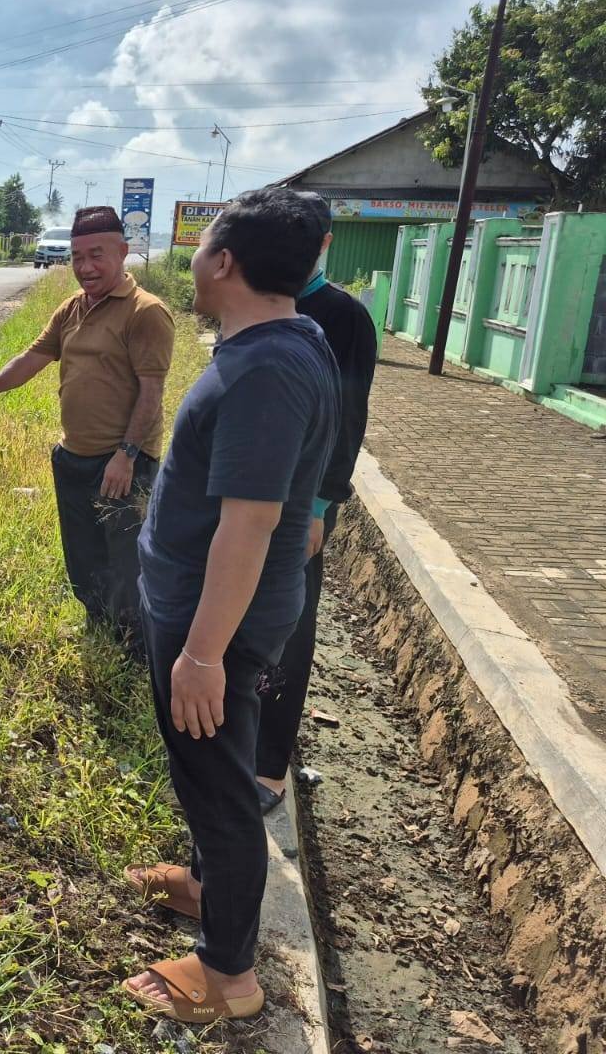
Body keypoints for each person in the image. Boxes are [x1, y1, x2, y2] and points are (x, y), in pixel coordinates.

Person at [123, 188, 339, 1024]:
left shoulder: (269, 368)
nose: (195, 257)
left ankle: (228, 977)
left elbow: (248, 524)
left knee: (219, 786)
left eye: (203, 244)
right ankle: (206, 886)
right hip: (208, 607)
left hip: (216, 618)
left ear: (225, 263)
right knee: (206, 773)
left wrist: (205, 652)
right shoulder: (280, 343)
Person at [0, 205, 175, 655]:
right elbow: (30, 360)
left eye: (96, 255)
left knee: (125, 561)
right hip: (73, 455)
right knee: (83, 555)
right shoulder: (72, 308)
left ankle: (133, 649)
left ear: (123, 251)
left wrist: (127, 454)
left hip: (121, 462)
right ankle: (98, 628)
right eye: (77, 256)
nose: (85, 267)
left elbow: (152, 392)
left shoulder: (145, 312)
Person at [254, 192, 377, 812]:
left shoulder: (341, 316)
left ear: (324, 242)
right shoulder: (258, 302)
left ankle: (271, 768)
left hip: (299, 508)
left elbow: (349, 420)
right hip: (248, 503)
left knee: (291, 630)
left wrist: (321, 508)